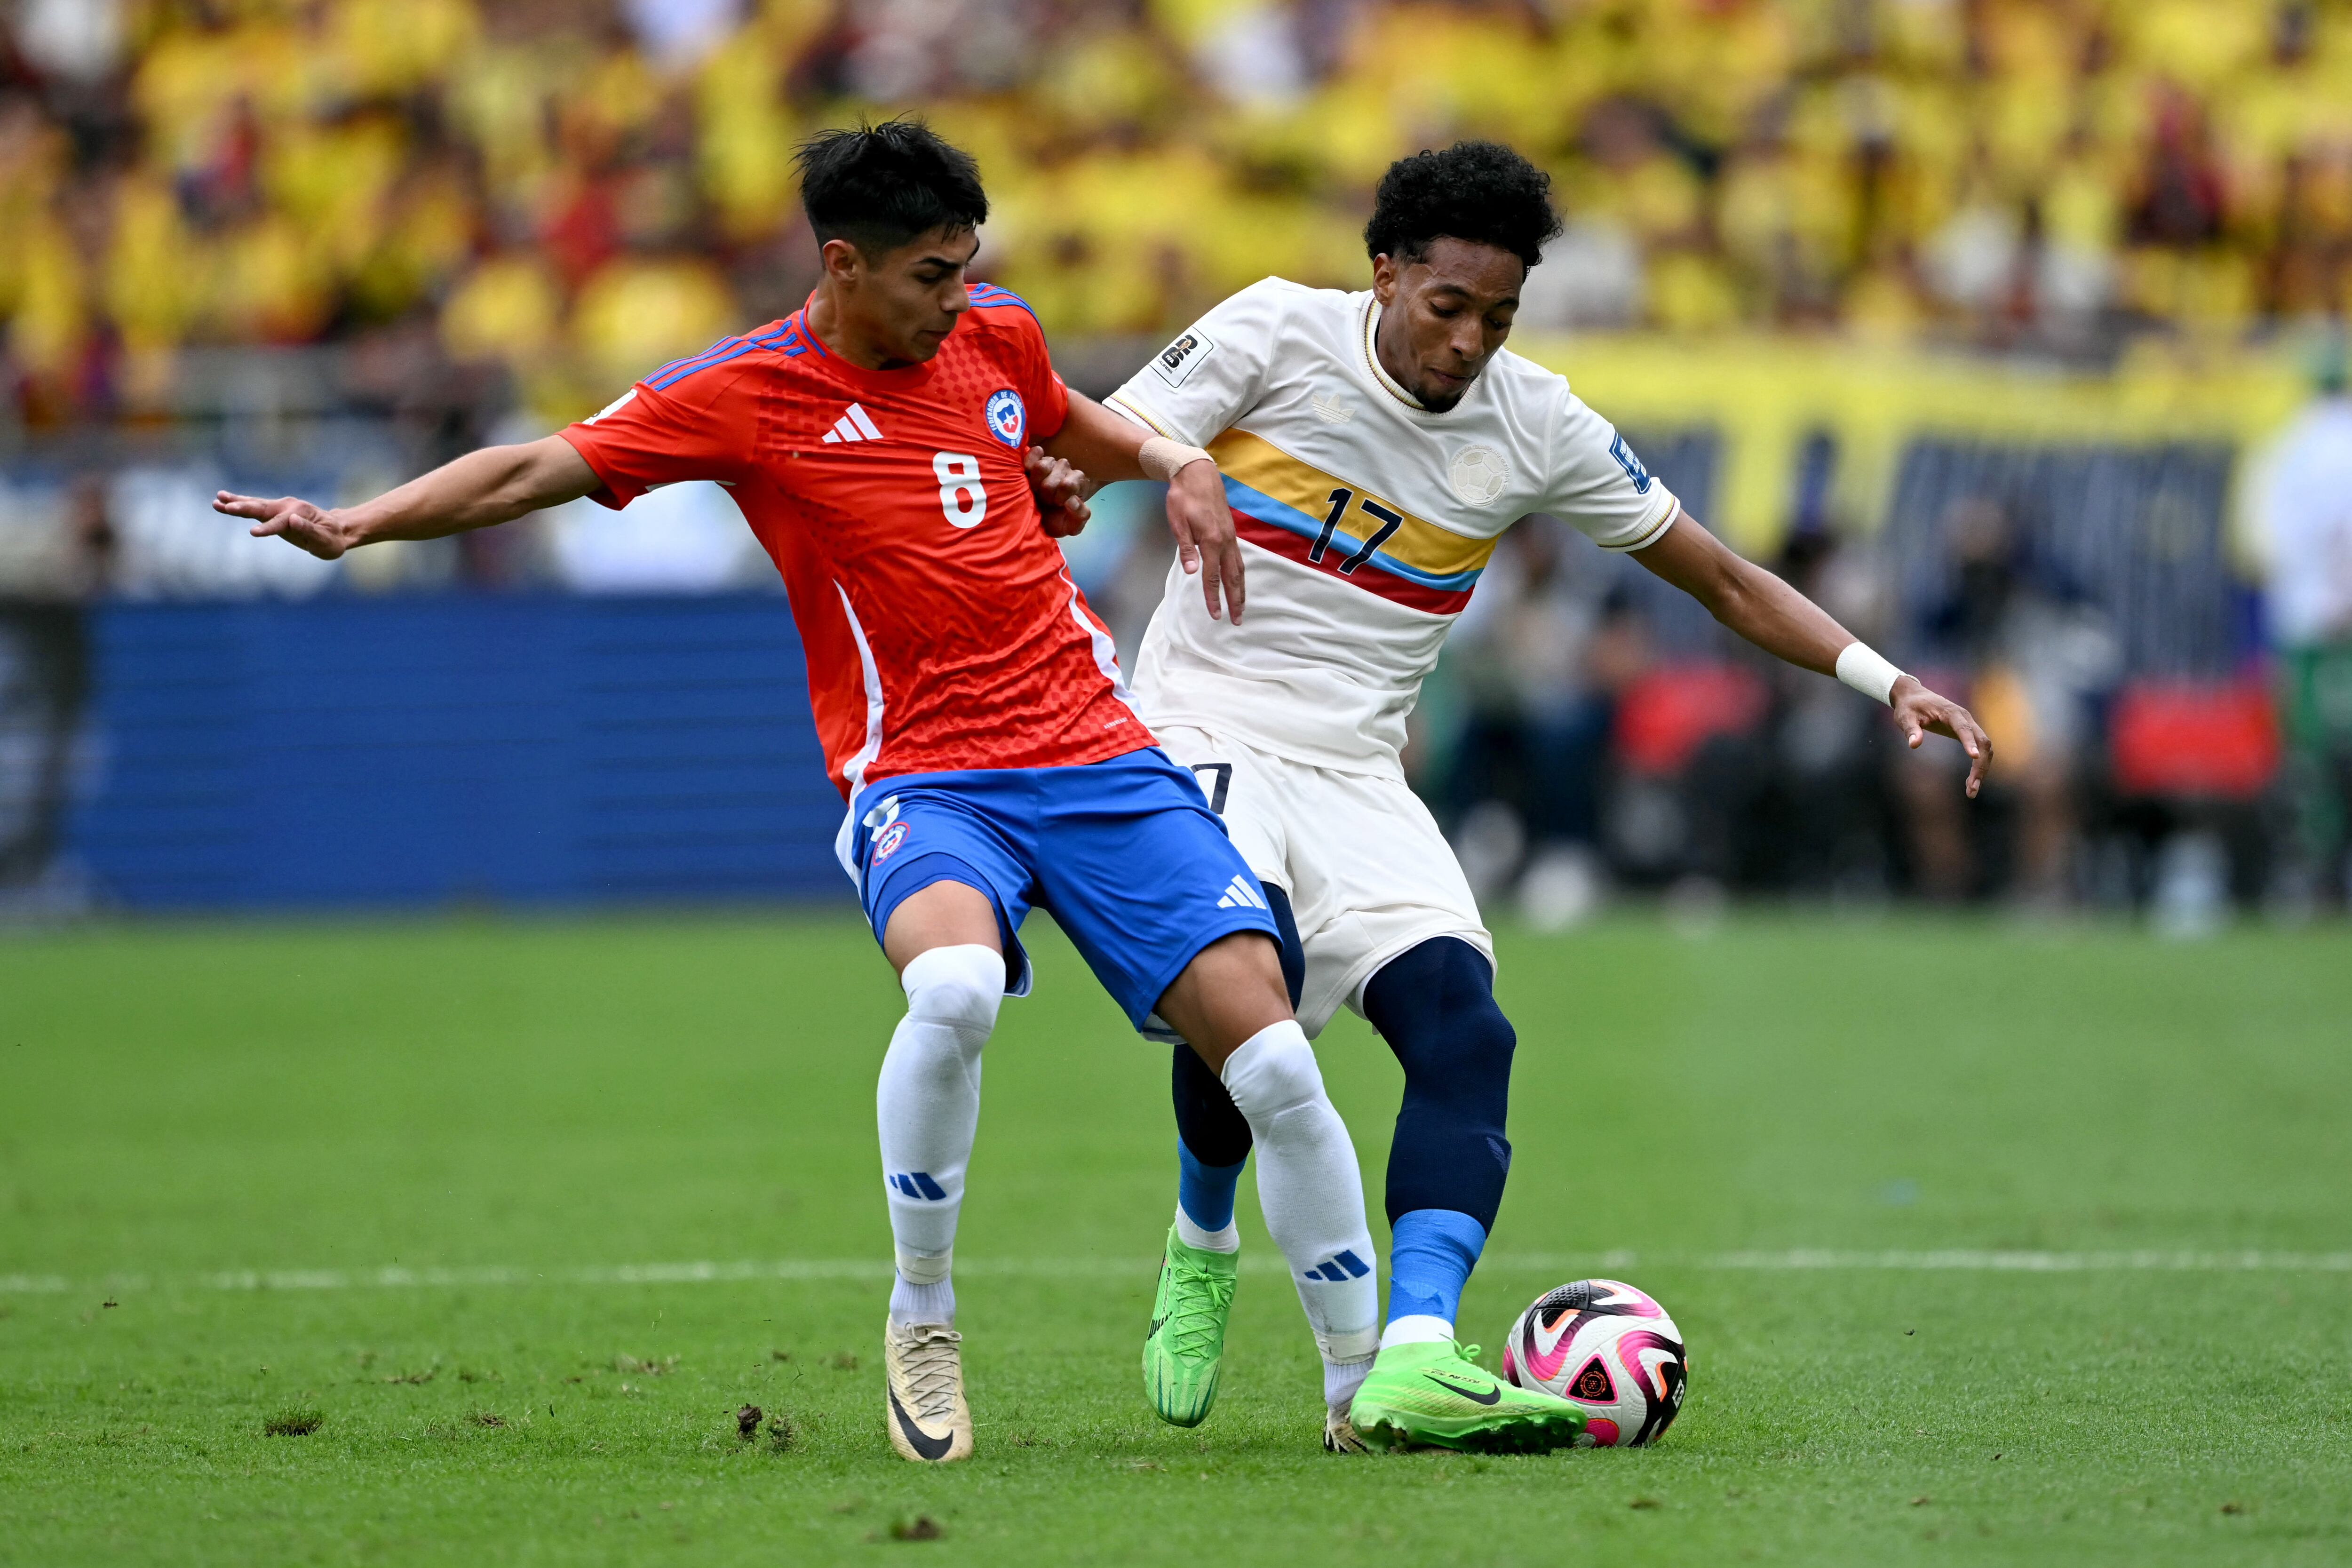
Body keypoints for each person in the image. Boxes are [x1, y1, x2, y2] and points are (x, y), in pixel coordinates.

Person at [215, 120, 1408, 1465]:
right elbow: (537, 466)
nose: (960, 300)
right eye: (929, 277)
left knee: (1279, 1066)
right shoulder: (747, 393)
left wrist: (1174, 465)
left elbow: (1064, 421)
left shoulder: (993, 334)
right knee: (952, 992)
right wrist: (362, 520)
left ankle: (1360, 1388)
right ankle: (923, 1317)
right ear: (842, 267)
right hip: (928, 774)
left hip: (1096, 751)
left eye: (967, 270)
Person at [1096, 141, 1991, 1451]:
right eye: (1447, 306)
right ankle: (1202, 1240)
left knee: (1469, 1032)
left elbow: (1725, 579)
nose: (1467, 341)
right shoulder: (1276, 330)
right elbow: (1107, 429)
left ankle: (1416, 1353)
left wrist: (1883, 676)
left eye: (1498, 317)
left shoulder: (1539, 423)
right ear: (1386, 272)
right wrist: (1169, 467)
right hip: (1200, 723)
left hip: (1361, 766)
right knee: (1254, 986)